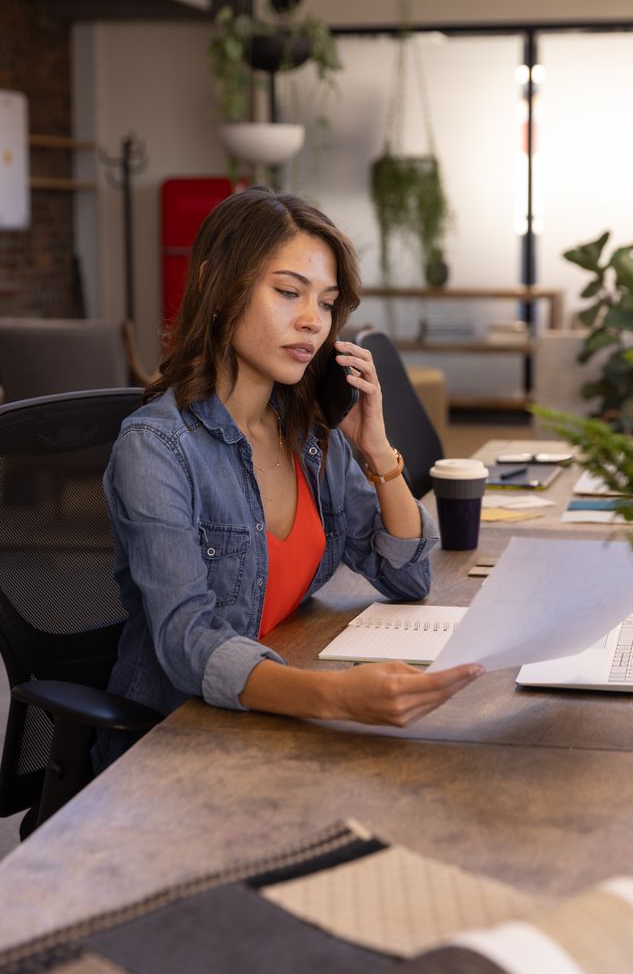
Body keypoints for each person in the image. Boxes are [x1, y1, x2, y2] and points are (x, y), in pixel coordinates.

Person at [96, 186, 481, 770]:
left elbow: (409, 575)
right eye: (287, 292)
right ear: (219, 287)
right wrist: (335, 697)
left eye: (326, 304)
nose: (312, 322)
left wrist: (376, 449)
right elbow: (189, 645)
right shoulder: (156, 448)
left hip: (277, 726)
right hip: (176, 747)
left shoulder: (309, 434)